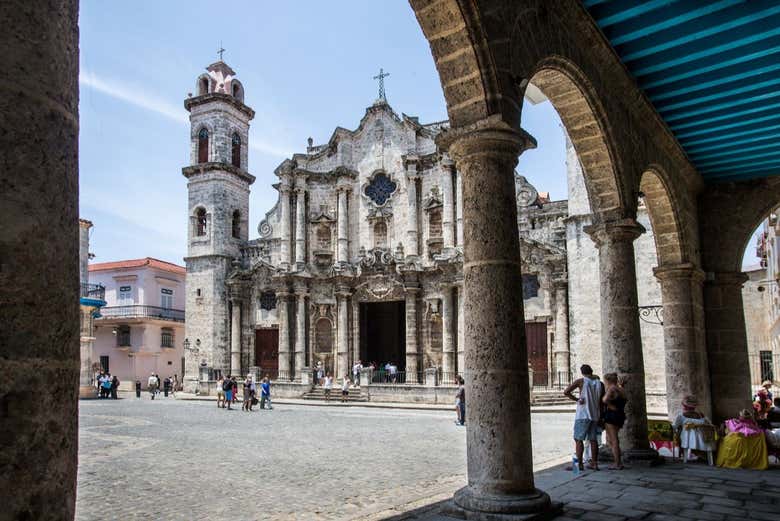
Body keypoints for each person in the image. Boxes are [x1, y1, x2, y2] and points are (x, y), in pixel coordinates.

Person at [563, 364, 604, 471]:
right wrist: (600, 416)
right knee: (593, 439)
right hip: (595, 415)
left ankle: (579, 464)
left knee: (578, 439)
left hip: (583, 415)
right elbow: (601, 402)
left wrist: (577, 399)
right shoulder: (600, 384)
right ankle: (594, 463)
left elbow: (566, 392)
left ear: (582, 372)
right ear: (591, 371)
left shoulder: (581, 381)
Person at [672, 395, 716, 463]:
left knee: (679, 432)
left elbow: (674, 427)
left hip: (688, 441)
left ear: (684, 406)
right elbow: (710, 424)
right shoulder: (702, 415)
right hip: (704, 439)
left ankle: (684, 456)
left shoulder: (681, 416)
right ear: (695, 406)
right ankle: (705, 458)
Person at [601, 372, 627, 469]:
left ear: (608, 380)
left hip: (612, 415)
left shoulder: (611, 388)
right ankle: (617, 461)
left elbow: (604, 399)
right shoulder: (621, 389)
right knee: (613, 439)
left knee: (614, 440)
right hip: (620, 414)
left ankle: (617, 463)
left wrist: (610, 405)